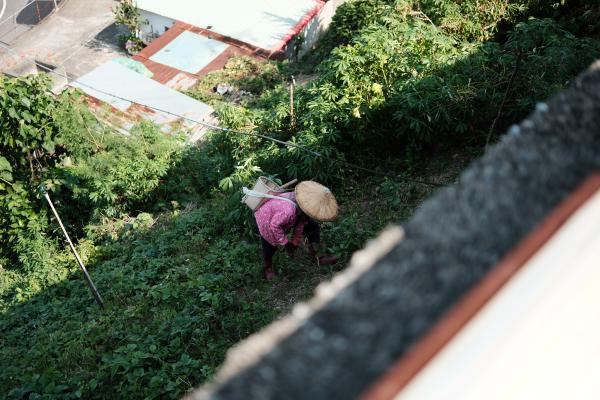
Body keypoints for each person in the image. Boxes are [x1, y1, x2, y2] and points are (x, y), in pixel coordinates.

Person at [254, 181, 339, 280]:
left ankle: (317, 256)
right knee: (269, 245)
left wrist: (294, 243)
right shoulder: (288, 211)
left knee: (312, 225)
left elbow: (300, 223)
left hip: (282, 215)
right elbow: (274, 226)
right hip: (265, 218)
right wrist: (286, 243)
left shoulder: (301, 206)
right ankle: (268, 268)